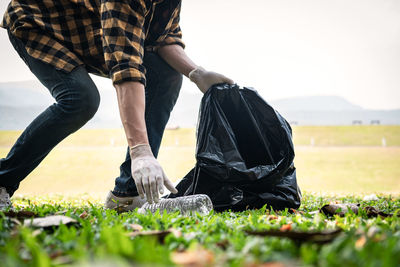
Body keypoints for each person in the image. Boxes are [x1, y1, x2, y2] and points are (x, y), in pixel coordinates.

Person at [0, 0, 233, 210]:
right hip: (37, 19)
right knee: (80, 99)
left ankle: (127, 194)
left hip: (85, 26)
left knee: (167, 75)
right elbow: (126, 67)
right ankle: (2, 181)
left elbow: (165, 38)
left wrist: (196, 73)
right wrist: (140, 150)